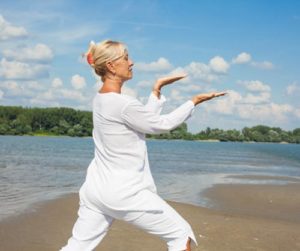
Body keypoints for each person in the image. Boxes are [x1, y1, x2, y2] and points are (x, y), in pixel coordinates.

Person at [60, 40, 226, 251]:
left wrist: (156, 90)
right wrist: (193, 102)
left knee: (77, 247)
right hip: (123, 192)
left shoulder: (100, 99)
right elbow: (161, 124)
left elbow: (143, 121)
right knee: (180, 236)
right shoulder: (123, 104)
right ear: (111, 65)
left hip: (95, 189)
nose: (132, 62)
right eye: (126, 58)